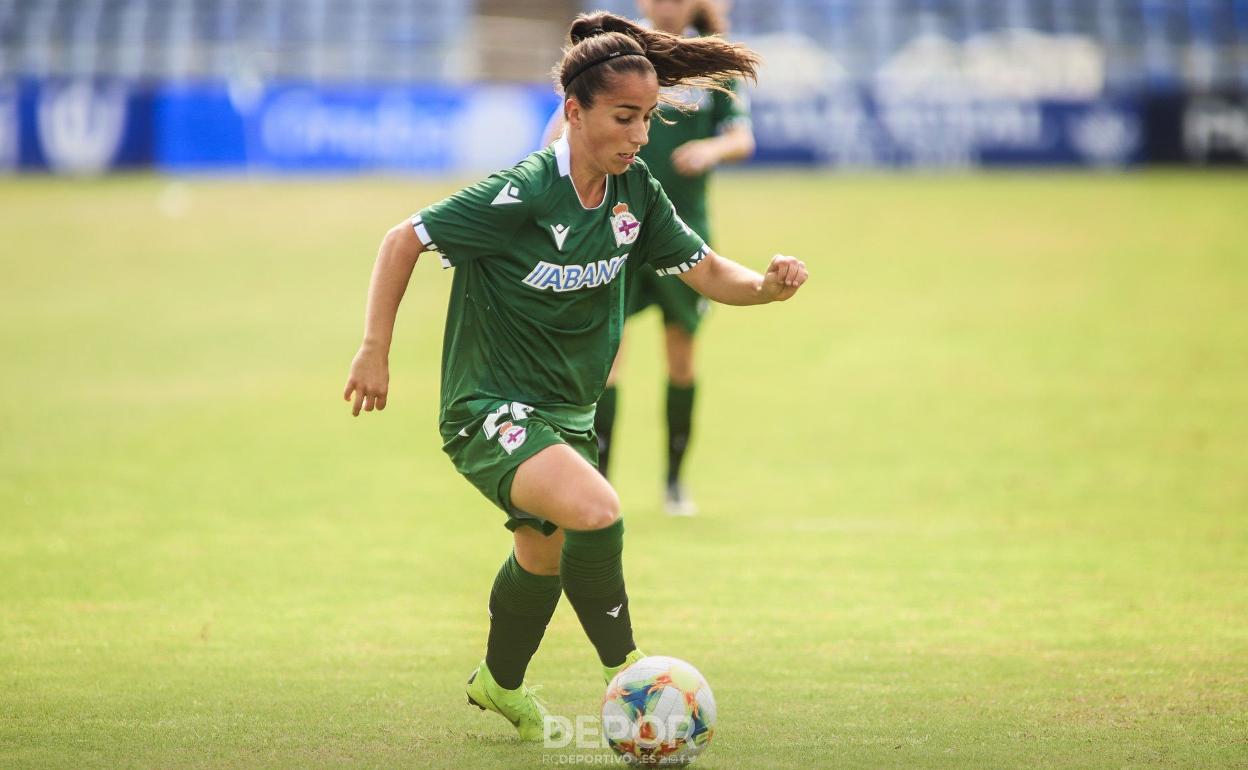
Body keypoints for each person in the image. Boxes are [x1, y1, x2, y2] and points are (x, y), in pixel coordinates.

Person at [342, 11, 806, 743]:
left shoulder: (635, 195)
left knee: (543, 557)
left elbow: (710, 270)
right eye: (625, 117)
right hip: (488, 407)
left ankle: (499, 683)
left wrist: (768, 288)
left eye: (648, 118)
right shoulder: (526, 190)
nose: (640, 135)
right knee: (597, 509)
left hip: (568, 413)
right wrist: (375, 349)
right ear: (573, 111)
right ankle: (633, 674)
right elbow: (404, 239)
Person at [545, 0, 753, 515]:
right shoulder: (624, 56)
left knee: (680, 357)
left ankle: (675, 482)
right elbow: (560, 127)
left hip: (685, 229)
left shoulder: (709, 66)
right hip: (617, 228)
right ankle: (601, 480)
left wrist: (711, 151)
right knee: (608, 359)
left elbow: (742, 137)